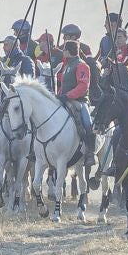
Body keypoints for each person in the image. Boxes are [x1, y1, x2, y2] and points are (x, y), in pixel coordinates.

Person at [52, 30, 97, 159]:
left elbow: (83, 86)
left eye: (64, 49)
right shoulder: (67, 66)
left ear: (68, 51)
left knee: (87, 123)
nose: (63, 52)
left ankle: (90, 153)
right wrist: (59, 95)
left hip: (80, 101)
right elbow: (65, 85)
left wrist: (68, 95)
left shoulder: (82, 66)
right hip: (65, 99)